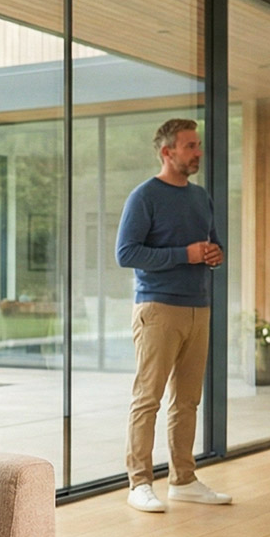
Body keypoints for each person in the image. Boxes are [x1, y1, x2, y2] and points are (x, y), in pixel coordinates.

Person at [115, 117, 232, 513]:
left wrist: (213, 255)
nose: (198, 152)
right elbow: (126, 253)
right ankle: (139, 483)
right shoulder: (144, 196)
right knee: (147, 398)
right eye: (190, 146)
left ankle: (183, 479)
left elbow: (211, 245)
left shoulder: (201, 197)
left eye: (198, 145)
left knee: (188, 400)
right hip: (159, 309)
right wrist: (186, 255)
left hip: (199, 307)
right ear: (167, 152)